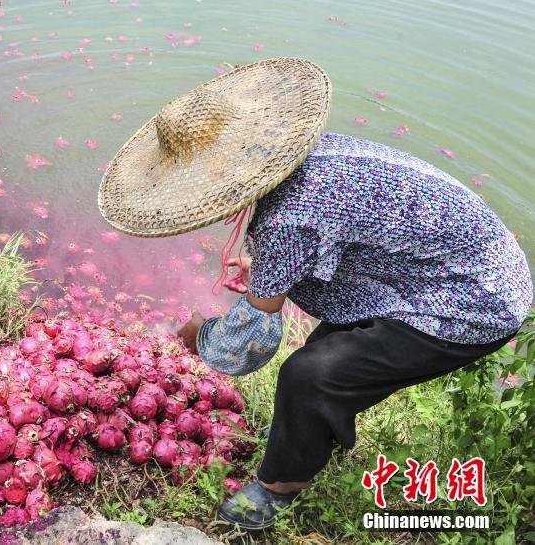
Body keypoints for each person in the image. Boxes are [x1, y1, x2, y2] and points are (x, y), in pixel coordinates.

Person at [97, 58, 532, 530]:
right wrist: (270, 269)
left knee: (311, 374)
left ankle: (279, 489)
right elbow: (341, 231)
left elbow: (248, 347)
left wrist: (201, 335)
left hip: (473, 300)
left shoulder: (287, 218)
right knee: (326, 352)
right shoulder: (309, 156)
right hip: (454, 261)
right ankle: (311, 432)